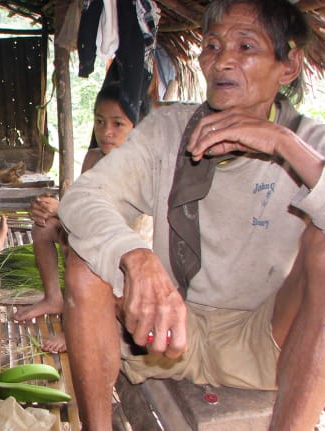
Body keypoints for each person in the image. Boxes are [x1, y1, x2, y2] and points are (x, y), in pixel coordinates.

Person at [57, 0, 324, 429]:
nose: (223, 62)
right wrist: (136, 256)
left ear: (288, 65)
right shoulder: (169, 131)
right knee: (88, 262)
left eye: (246, 46)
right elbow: (84, 197)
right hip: (170, 332)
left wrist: (282, 144)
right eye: (213, 45)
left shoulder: (310, 141)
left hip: (269, 340)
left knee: (324, 242)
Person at [12, 83, 141, 353]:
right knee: (44, 226)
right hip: (93, 234)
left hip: (123, 254)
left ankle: (77, 326)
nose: (106, 132)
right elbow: (83, 202)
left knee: (81, 248)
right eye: (100, 121)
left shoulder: (138, 168)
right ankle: (53, 298)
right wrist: (49, 209)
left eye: (118, 124)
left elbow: (112, 225)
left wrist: (63, 209)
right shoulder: (94, 158)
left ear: (136, 128)